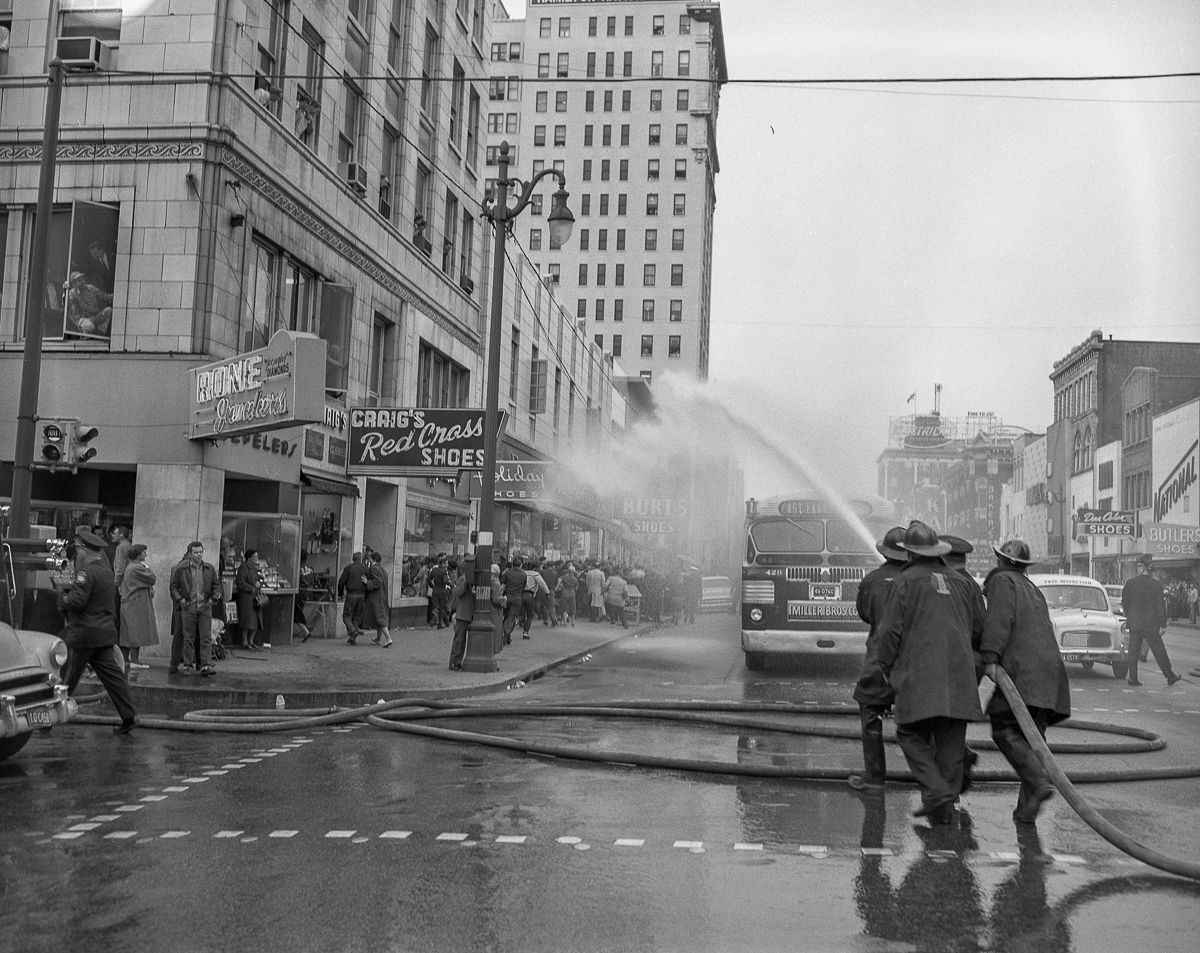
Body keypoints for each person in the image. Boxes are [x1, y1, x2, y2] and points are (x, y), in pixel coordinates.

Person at [875, 521, 985, 824]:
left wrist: (886, 669)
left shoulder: (904, 581)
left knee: (910, 734)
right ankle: (945, 815)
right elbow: (980, 628)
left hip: (919, 676)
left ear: (909, 554)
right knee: (950, 748)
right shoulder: (963, 583)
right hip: (960, 679)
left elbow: (888, 634)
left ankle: (936, 794)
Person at [980, 539, 1072, 825]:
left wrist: (989, 657)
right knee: (1033, 739)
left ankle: (1038, 781)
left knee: (1004, 728)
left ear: (1001, 561)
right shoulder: (1032, 588)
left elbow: (999, 620)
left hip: (1022, 671)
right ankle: (1026, 811)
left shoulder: (1002, 582)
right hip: (1047, 672)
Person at [56, 526, 137, 734]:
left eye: (79, 549)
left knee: (67, 678)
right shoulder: (106, 572)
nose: (78, 554)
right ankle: (128, 716)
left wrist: (62, 598)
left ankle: (49, 718)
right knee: (114, 679)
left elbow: (78, 600)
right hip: (103, 634)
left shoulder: (86, 573)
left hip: (84, 634)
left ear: (85, 550)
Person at [848, 525, 906, 791]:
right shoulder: (919, 579)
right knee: (924, 718)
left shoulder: (871, 581)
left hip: (879, 659)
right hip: (915, 661)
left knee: (870, 710)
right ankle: (950, 767)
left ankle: (875, 776)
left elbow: (865, 614)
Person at [1121, 554, 1181, 687]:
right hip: (1151, 623)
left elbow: (1125, 602)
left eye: (1138, 566)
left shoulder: (1130, 583)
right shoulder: (1156, 585)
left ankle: (1133, 678)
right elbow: (1160, 606)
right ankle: (1169, 675)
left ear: (1142, 568)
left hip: (1135, 622)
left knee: (1133, 650)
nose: (1137, 569)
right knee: (1159, 651)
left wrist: (1130, 615)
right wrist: (1163, 623)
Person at [168, 540, 222, 676]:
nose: (198, 555)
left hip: (205, 606)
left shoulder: (209, 568)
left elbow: (217, 585)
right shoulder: (181, 569)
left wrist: (213, 599)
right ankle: (187, 665)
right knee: (188, 637)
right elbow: (173, 586)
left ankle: (205, 665)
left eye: (200, 552)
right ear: (190, 553)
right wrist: (181, 600)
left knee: (206, 637)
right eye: (196, 552)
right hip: (189, 606)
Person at [118, 543, 158, 673]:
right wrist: (147, 567)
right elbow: (152, 579)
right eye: (144, 552)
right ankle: (134, 660)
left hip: (131, 604)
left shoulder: (130, 567)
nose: (146, 554)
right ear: (138, 554)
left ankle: (125, 659)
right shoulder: (137, 568)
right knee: (136, 633)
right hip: (136, 605)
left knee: (128, 634)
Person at [64, 270, 114, 337]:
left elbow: (104, 296)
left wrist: (115, 295)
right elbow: (73, 311)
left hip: (96, 316)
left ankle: (100, 332)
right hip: (85, 319)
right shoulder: (73, 293)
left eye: (83, 280)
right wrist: (78, 323)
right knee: (89, 327)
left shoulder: (91, 288)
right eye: (79, 281)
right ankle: (87, 335)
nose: (82, 282)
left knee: (108, 310)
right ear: (74, 284)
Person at [234, 549, 264, 650]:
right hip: (247, 597)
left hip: (255, 596)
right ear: (249, 557)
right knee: (246, 619)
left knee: (256, 620)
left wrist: (258, 584)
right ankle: (245, 641)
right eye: (255, 557)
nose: (256, 559)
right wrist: (251, 587)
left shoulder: (254, 568)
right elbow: (240, 582)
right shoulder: (244, 567)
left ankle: (251, 641)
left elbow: (256, 579)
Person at [363, 551, 393, 647]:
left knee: (379, 617)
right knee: (378, 617)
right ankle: (378, 638)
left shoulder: (374, 568)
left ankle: (388, 638)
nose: (369, 560)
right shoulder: (383, 569)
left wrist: (367, 582)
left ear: (374, 559)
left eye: (370, 558)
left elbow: (378, 582)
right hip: (383, 595)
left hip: (376, 596)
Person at [337, 551, 368, 644]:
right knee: (356, 616)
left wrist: (340, 593)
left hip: (351, 595)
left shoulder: (348, 568)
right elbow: (368, 581)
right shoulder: (366, 568)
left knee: (346, 616)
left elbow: (341, 582)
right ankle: (353, 638)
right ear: (361, 559)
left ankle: (353, 631)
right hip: (362, 595)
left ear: (353, 559)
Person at [499, 557, 527, 645]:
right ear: (521, 565)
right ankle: (507, 634)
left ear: (512, 564)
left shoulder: (508, 573)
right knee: (512, 618)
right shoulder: (523, 575)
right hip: (517, 598)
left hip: (507, 597)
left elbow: (502, 582)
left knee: (505, 616)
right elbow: (523, 586)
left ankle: (506, 634)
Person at [521, 562, 548, 639]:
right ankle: (525, 632)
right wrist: (547, 592)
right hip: (530, 595)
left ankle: (512, 627)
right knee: (530, 615)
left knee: (520, 613)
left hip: (520, 594)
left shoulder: (522, 573)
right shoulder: (536, 574)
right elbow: (542, 584)